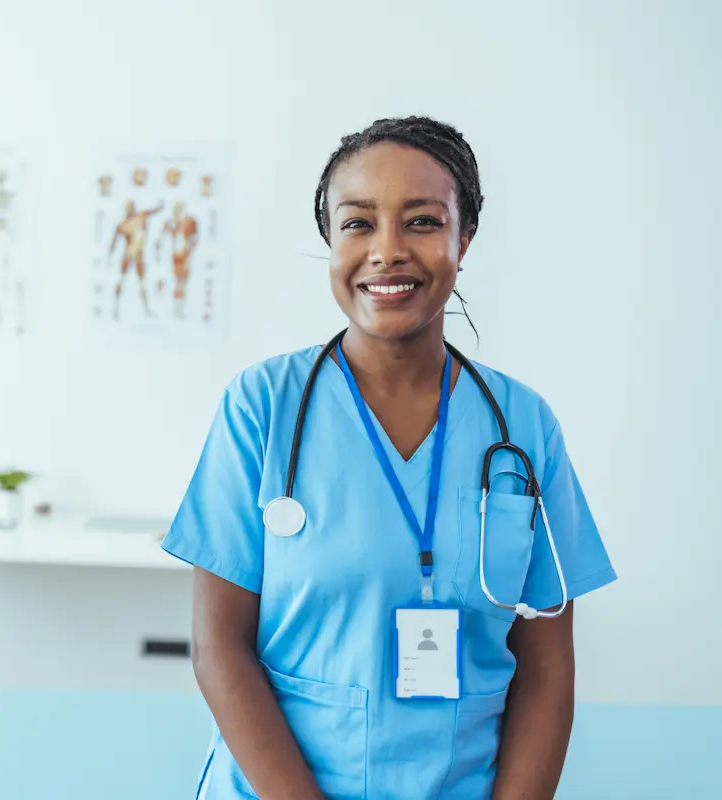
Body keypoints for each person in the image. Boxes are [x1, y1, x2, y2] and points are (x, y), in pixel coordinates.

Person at [161, 116, 617, 800]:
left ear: (465, 238)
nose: (387, 251)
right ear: (330, 240)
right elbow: (219, 649)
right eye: (358, 223)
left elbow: (547, 670)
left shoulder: (523, 428)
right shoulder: (262, 407)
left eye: (424, 222)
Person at [109, 199, 164, 320]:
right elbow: (114, 241)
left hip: (138, 255)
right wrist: (110, 254)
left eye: (131, 208)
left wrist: (160, 206)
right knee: (122, 280)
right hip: (128, 255)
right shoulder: (123, 225)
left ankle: (146, 308)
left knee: (142, 282)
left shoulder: (141, 217)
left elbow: (152, 211)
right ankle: (115, 308)